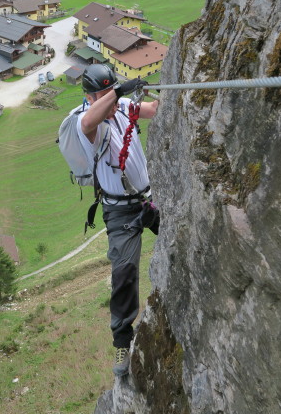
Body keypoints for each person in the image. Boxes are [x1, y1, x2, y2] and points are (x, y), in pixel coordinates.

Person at [75, 64, 159, 376]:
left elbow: (151, 109)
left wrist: (161, 91)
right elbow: (87, 122)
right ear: (90, 95)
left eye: (110, 90)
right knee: (124, 273)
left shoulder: (122, 105)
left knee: (184, 232)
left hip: (149, 198)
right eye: (101, 92)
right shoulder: (87, 124)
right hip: (120, 210)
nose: (108, 97)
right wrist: (117, 93)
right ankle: (122, 341)